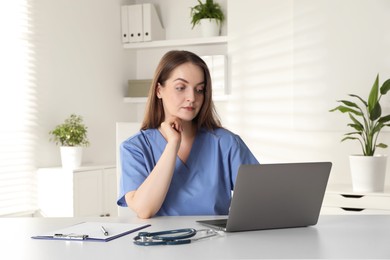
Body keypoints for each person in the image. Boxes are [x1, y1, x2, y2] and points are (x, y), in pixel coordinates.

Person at [117, 50, 259, 219]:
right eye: (180, 88)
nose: (192, 97)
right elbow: (144, 209)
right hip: (161, 243)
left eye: (199, 89)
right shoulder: (135, 148)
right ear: (158, 90)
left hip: (217, 243)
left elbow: (264, 199)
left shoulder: (226, 144)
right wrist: (172, 144)